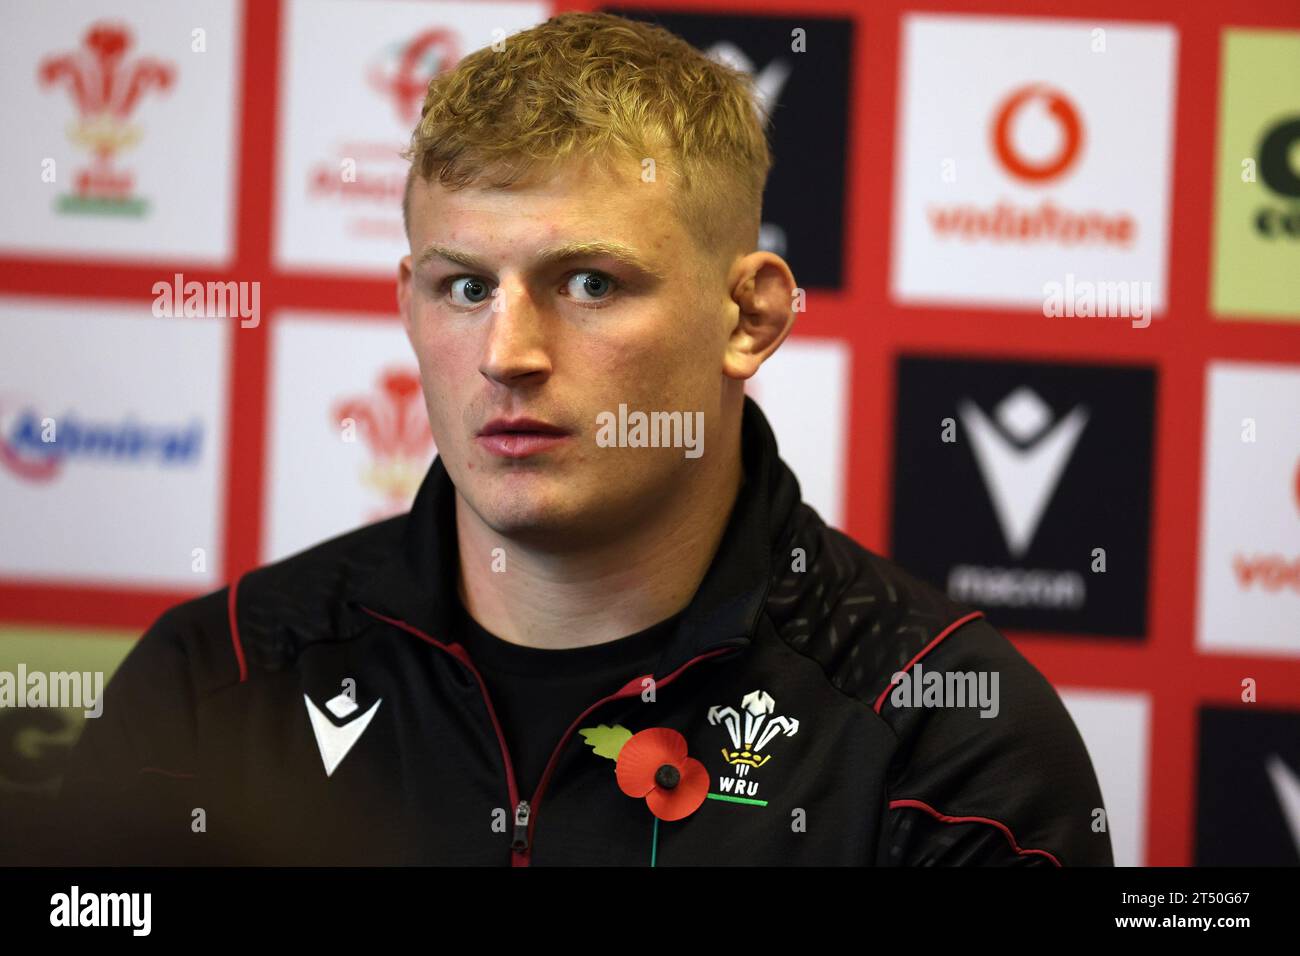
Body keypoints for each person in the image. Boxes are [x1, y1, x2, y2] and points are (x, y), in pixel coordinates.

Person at [54, 11, 1112, 866]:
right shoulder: (216, 678)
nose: (506, 351)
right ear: (409, 303)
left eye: (589, 283)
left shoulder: (944, 737)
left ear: (749, 318)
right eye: (464, 285)